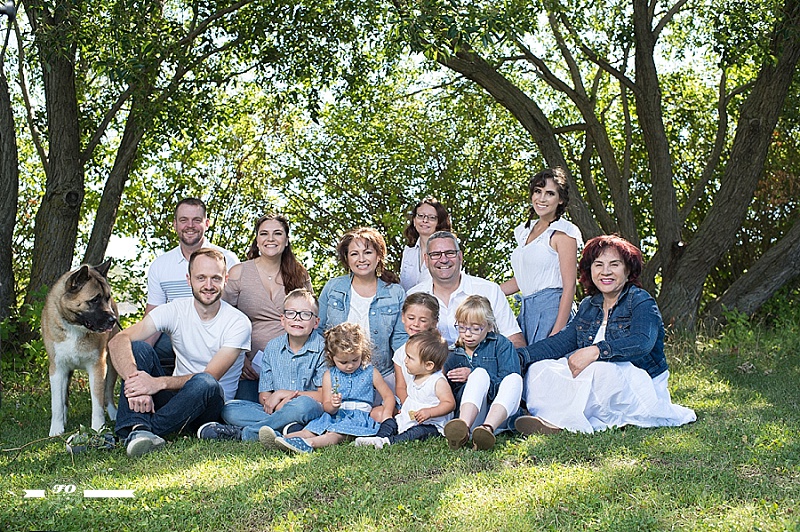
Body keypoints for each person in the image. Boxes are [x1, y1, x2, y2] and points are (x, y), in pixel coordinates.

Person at [515, 235, 697, 434]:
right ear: (590, 270)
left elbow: (641, 343)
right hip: (600, 379)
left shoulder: (641, 301)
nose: (606, 272)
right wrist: (521, 356)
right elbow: (562, 342)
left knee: (599, 370)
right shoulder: (589, 305)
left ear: (628, 270)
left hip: (640, 381)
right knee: (540, 368)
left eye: (614, 264)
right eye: (598, 265)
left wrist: (596, 351)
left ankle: (560, 422)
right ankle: (549, 419)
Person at [109, 248, 252, 457]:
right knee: (140, 349)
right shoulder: (175, 309)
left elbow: (211, 376)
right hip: (175, 401)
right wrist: (136, 383)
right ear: (189, 279)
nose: (209, 285)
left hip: (210, 407)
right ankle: (138, 430)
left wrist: (157, 384)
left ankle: (140, 431)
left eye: (215, 278)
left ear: (226, 280)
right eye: (201, 278)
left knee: (205, 382)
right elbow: (118, 341)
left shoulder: (238, 323)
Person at [195, 288, 325, 442]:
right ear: (282, 319)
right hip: (274, 409)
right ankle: (289, 429)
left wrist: (283, 394)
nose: (297, 318)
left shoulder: (322, 348)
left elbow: (323, 396)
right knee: (229, 409)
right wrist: (277, 405)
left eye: (305, 314)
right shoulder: (273, 347)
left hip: (309, 409)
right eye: (291, 313)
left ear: (316, 322)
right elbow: (264, 395)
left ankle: (244, 434)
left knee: (304, 405)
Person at [223, 214, 312, 402]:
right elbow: (221, 318)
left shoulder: (299, 273)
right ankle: (276, 420)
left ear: (286, 241)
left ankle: (276, 419)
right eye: (264, 233)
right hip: (250, 368)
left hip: (292, 366)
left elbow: (310, 317)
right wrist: (240, 357)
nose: (270, 239)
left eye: (277, 233)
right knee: (234, 408)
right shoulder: (239, 272)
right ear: (257, 240)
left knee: (298, 403)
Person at [145, 198, 239, 374]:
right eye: (183, 220)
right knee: (139, 352)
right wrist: (140, 354)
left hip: (216, 336)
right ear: (175, 224)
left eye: (196, 220)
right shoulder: (161, 265)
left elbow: (239, 309)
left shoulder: (228, 260)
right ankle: (141, 396)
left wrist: (243, 352)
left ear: (207, 223)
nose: (190, 225)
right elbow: (153, 314)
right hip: (173, 337)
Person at [272, 323, 395, 454]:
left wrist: (387, 416)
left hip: (359, 418)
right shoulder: (329, 375)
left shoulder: (370, 372)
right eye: (343, 362)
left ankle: (309, 444)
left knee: (334, 435)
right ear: (332, 357)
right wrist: (333, 405)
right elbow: (327, 407)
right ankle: (280, 439)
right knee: (310, 430)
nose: (350, 366)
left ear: (362, 353)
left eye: (355, 360)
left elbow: (388, 396)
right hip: (335, 414)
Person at [317, 227, 407, 393]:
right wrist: (322, 379)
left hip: (382, 376)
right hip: (338, 376)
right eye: (354, 254)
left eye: (367, 252)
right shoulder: (334, 287)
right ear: (347, 258)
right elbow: (318, 332)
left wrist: (404, 382)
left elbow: (400, 341)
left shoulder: (395, 293)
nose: (361, 259)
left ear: (378, 256)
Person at [500, 168, 583, 344]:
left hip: (553, 312)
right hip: (527, 312)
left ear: (560, 200)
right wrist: (487, 291)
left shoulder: (563, 233)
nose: (542, 198)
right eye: (538, 191)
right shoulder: (524, 232)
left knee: (548, 367)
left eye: (550, 193)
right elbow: (523, 280)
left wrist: (557, 334)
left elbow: (570, 287)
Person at [407, 231, 525, 348]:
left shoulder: (490, 291)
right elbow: (404, 346)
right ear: (426, 260)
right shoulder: (412, 296)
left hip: (483, 364)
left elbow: (514, 340)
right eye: (436, 254)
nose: (443, 259)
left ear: (460, 257)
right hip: (432, 365)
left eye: (450, 253)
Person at [442, 295, 523, 450]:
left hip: (500, 413)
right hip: (472, 416)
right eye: (462, 327)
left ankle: (487, 430)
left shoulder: (501, 344)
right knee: (478, 374)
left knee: (513, 378)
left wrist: (472, 374)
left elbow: (510, 387)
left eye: (476, 328)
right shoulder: (452, 355)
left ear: (489, 326)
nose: (468, 334)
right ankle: (462, 430)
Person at [354, 330, 455, 448]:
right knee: (390, 422)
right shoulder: (415, 376)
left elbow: (449, 404)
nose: (405, 361)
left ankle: (389, 442)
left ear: (428, 365)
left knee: (417, 432)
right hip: (408, 419)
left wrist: (430, 412)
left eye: (410, 358)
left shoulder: (437, 381)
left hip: (431, 424)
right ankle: (379, 438)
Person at [392, 292, 441, 404]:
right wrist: (408, 408)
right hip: (409, 405)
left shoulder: (436, 350)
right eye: (411, 318)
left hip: (433, 406)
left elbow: (441, 383)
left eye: (423, 320)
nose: (416, 324)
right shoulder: (400, 353)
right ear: (403, 317)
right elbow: (401, 387)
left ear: (434, 323)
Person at [400, 197, 453, 291]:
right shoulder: (408, 252)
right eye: (420, 216)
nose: (425, 220)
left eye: (431, 217)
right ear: (414, 220)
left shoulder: (449, 253)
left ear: (439, 223)